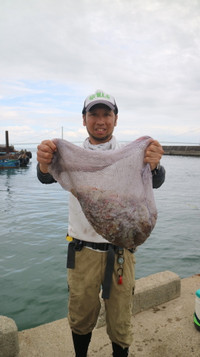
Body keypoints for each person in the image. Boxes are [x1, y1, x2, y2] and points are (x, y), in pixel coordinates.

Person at [37, 89, 165, 357]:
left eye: (106, 114)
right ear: (83, 119)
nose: (100, 120)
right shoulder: (70, 156)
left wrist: (155, 165)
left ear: (116, 119)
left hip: (121, 253)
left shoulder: (131, 155)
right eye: (93, 114)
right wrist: (43, 162)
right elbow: (46, 177)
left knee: (120, 323)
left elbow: (155, 180)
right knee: (81, 319)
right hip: (82, 252)